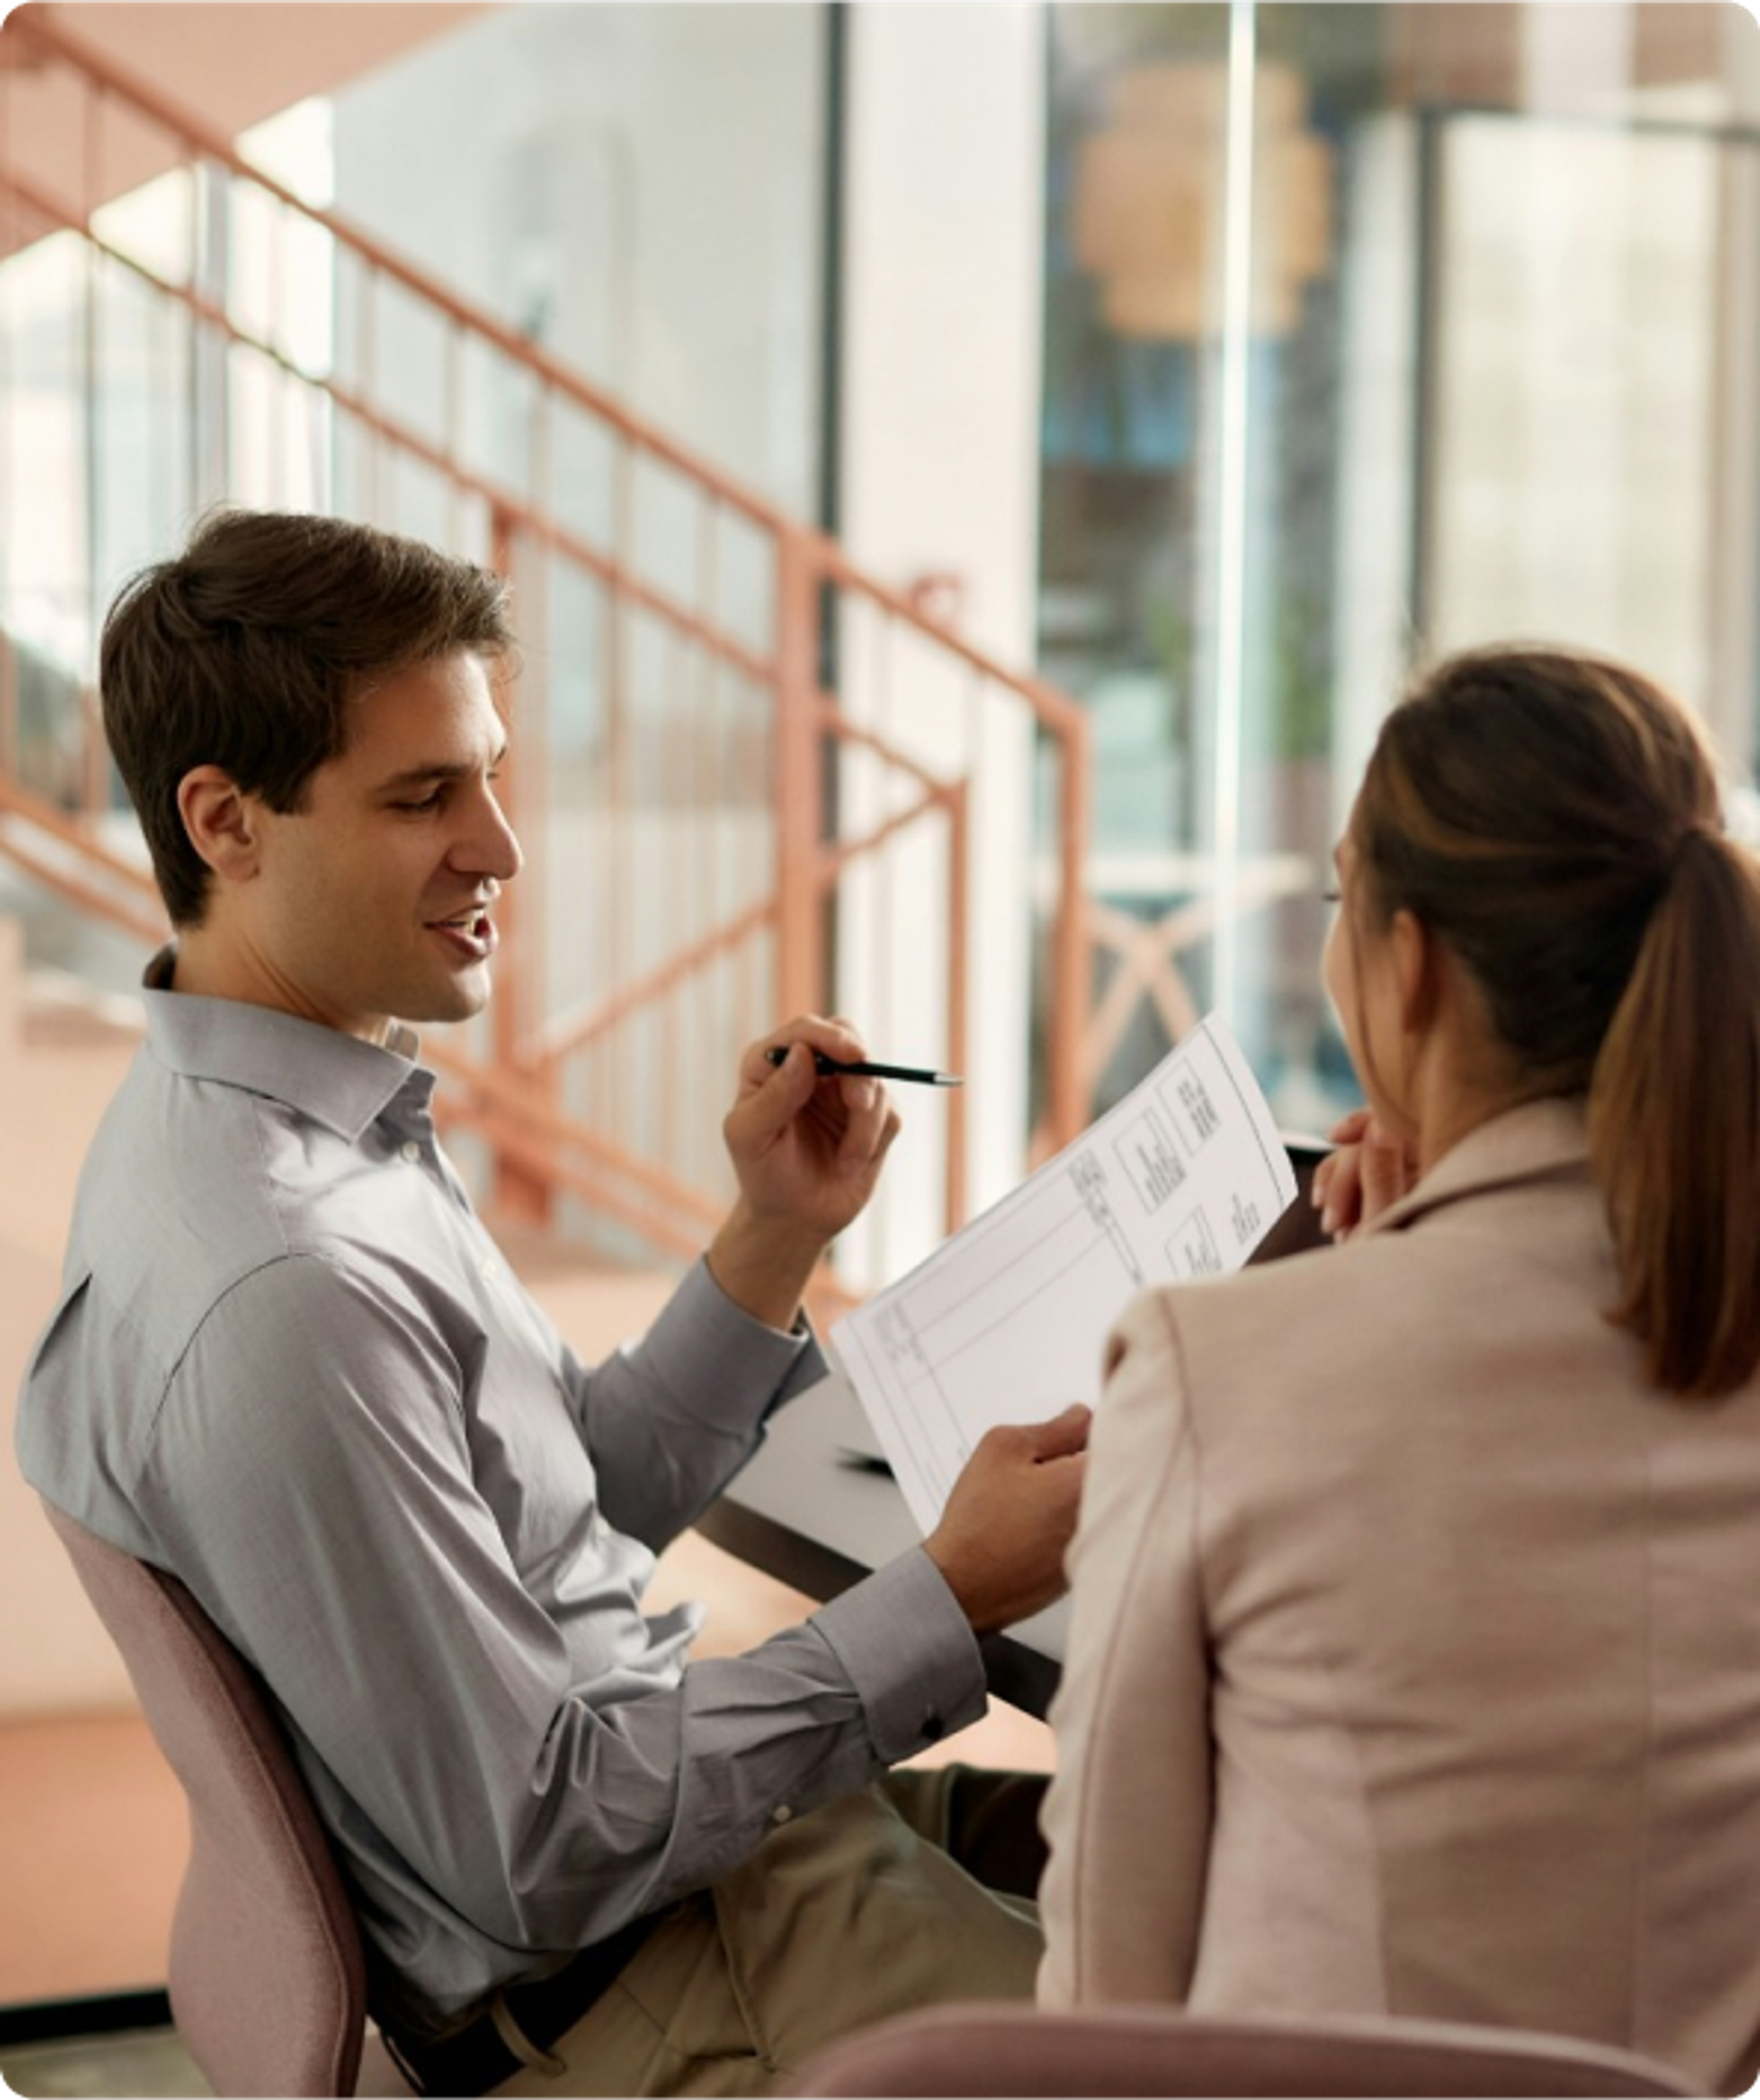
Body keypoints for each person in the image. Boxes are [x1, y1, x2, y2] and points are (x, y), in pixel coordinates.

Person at [16, 508, 1090, 2100]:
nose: (500, 845)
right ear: (226, 823)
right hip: (651, 1970)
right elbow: (541, 1838)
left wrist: (770, 1235)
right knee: (1248, 2027)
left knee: (1244, 1871)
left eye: (492, 772)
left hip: (713, 1872)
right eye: (423, 795)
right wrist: (944, 1595)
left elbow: (559, 1495)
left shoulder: (304, 1127)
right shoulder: (288, 1282)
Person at [1036, 645, 1760, 2100]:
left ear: (1410, 964)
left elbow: (1107, 2006)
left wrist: (1341, 1288)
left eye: (1335, 905)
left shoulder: (1217, 1368)